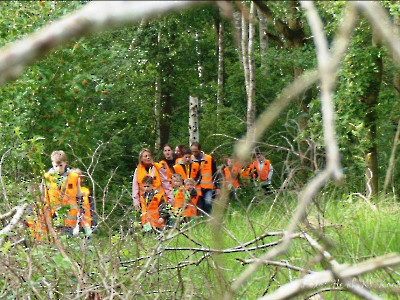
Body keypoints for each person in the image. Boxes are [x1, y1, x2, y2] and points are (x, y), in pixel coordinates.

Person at [41, 150, 80, 235]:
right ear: (52, 164)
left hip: (69, 217)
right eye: (56, 166)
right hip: (52, 216)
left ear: (65, 163)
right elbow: (42, 197)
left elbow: (79, 198)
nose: (58, 168)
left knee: (68, 242)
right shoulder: (47, 177)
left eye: (61, 165)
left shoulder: (74, 177)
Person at [190, 142, 220, 215]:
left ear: (200, 150)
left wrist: (217, 187)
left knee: (208, 203)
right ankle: (201, 220)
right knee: (199, 205)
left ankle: (209, 218)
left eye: (196, 151)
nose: (194, 153)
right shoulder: (190, 159)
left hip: (208, 187)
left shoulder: (209, 158)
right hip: (196, 187)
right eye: (192, 151)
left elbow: (215, 173)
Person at [70, 168, 96, 236]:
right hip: (71, 226)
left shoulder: (86, 191)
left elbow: (92, 209)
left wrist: (94, 224)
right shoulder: (68, 192)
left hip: (86, 225)